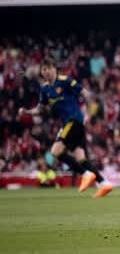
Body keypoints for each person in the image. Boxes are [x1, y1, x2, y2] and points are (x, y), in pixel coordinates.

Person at [18, 58, 113, 198]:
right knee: (81, 158)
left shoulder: (65, 81)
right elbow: (40, 109)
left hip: (74, 120)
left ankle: (86, 174)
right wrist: (27, 112)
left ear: (54, 69)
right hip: (70, 124)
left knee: (55, 151)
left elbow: (86, 94)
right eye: (43, 69)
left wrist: (87, 113)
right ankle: (104, 183)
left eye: (48, 68)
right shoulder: (45, 89)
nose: (46, 71)